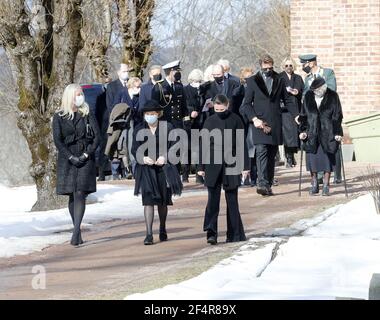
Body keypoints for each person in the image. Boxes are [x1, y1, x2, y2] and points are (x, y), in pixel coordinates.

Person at [240, 54, 298, 196]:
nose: (268, 71)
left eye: (270, 68)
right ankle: (261, 183)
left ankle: (268, 183)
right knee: (261, 152)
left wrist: (296, 115)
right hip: (260, 123)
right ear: (261, 66)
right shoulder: (253, 81)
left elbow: (288, 100)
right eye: (265, 68)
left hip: (275, 122)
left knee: (272, 155)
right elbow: (246, 105)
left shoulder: (279, 79)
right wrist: (254, 119)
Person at [52, 84, 100, 246]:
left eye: (82, 94)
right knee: (72, 194)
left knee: (80, 192)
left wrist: (87, 154)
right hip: (68, 159)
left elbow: (97, 138)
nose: (80, 97)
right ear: (70, 96)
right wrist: (70, 156)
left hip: (86, 156)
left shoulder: (87, 113)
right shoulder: (59, 116)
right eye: (77, 94)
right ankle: (77, 231)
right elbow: (58, 140)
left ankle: (76, 231)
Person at [197, 94, 248, 245]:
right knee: (213, 200)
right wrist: (200, 166)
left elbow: (241, 144)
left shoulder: (236, 119)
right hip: (212, 163)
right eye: (216, 109)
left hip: (231, 163)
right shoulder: (209, 120)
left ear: (227, 105)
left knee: (232, 200)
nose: (219, 111)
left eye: (222, 108)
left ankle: (234, 233)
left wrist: (245, 166)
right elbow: (203, 144)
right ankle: (211, 233)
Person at [132, 100, 183, 245]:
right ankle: (148, 233)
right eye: (147, 114)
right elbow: (134, 149)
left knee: (162, 201)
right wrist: (143, 158)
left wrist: (165, 157)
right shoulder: (138, 129)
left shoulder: (168, 127)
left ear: (158, 114)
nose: (149, 116)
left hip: (164, 169)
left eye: (152, 114)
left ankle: (162, 227)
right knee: (148, 201)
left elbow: (175, 146)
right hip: (146, 169)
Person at [299, 54, 342, 184]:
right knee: (315, 144)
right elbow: (306, 94)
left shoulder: (327, 73)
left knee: (331, 142)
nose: (302, 67)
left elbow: (332, 88)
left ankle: (336, 174)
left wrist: (319, 87)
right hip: (313, 116)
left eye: (304, 64)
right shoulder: (307, 78)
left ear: (311, 63)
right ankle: (318, 176)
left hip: (328, 113)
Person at [151, 60, 191, 182]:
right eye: (176, 71)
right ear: (169, 72)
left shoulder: (179, 87)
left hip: (178, 123)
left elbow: (184, 106)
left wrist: (187, 122)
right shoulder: (159, 86)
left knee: (177, 151)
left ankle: (176, 177)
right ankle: (166, 178)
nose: (178, 73)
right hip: (164, 124)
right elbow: (154, 107)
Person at [106, 63, 132, 180]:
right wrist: (118, 117)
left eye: (127, 71)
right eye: (124, 71)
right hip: (116, 121)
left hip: (129, 121)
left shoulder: (131, 84)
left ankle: (127, 170)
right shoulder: (112, 86)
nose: (126, 73)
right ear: (118, 72)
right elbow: (110, 105)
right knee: (115, 147)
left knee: (127, 146)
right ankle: (115, 172)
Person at [279, 57, 304, 168]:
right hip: (285, 110)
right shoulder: (280, 77)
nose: (288, 67)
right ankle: (288, 157)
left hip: (297, 107)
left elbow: (302, 90)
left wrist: (297, 91)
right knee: (287, 134)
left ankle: (292, 154)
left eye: (290, 65)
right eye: (286, 65)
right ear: (283, 66)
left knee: (295, 133)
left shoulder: (298, 78)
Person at [184, 69, 205, 184]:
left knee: (198, 149)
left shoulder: (202, 89)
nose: (197, 83)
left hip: (201, 122)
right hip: (189, 123)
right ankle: (185, 174)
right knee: (187, 149)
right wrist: (191, 111)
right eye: (195, 81)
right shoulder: (185, 89)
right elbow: (184, 104)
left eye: (199, 81)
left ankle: (199, 174)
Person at [239, 67, 258, 187]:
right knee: (247, 151)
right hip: (244, 123)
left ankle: (254, 177)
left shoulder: (256, 88)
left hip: (254, 122)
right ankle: (246, 177)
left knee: (253, 151)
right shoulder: (241, 90)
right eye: (247, 78)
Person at [105, 103, 132, 180]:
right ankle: (121, 172)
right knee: (118, 154)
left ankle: (121, 172)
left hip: (120, 144)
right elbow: (111, 141)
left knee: (118, 154)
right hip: (119, 145)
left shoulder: (115, 124)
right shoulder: (116, 126)